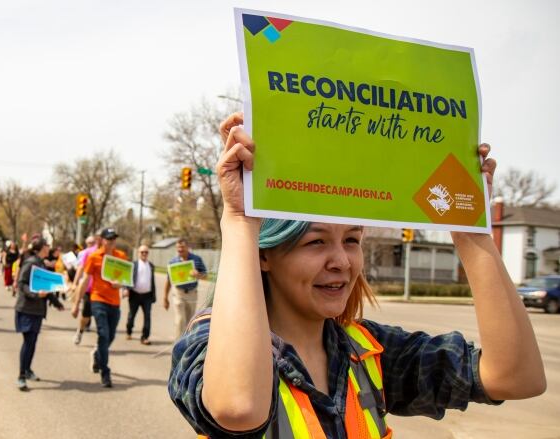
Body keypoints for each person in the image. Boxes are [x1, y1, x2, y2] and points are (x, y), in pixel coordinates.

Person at [168, 112, 546, 437]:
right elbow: (238, 408)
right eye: (315, 243)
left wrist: (471, 234)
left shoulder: (368, 351)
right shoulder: (209, 343)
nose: (342, 261)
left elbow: (516, 377)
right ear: (264, 255)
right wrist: (238, 222)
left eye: (351, 240)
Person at [73, 228, 128, 388]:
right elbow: (85, 280)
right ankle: (105, 372)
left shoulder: (121, 256)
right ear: (102, 240)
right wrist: (76, 303)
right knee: (103, 335)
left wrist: (122, 285)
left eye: (114, 238)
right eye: (109, 238)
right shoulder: (94, 257)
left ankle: (97, 355)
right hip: (98, 299)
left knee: (110, 337)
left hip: (115, 302)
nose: (112, 241)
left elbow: (126, 278)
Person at [15, 237, 65, 391]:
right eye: (46, 246)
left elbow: (46, 286)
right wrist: (36, 295)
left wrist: (57, 303)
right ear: (41, 248)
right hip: (26, 309)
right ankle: (21, 376)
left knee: (32, 342)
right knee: (28, 341)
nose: (48, 248)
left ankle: (28, 370)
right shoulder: (31, 262)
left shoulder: (41, 263)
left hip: (37, 310)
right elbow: (21, 284)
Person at [163, 238, 208, 339]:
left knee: (189, 321)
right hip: (178, 294)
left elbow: (205, 276)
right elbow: (168, 281)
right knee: (180, 320)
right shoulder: (172, 262)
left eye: (182, 247)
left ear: (188, 247)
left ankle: (187, 343)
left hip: (192, 294)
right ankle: (179, 345)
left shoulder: (197, 259)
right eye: (178, 247)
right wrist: (165, 298)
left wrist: (198, 275)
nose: (180, 249)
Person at [70, 235, 100, 345]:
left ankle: (101, 342)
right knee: (86, 315)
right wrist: (75, 283)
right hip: (88, 287)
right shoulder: (87, 253)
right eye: (90, 242)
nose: (92, 244)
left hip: (102, 291)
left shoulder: (111, 252)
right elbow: (80, 268)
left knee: (101, 315)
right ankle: (80, 331)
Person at [126, 245, 155, 345]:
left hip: (147, 296)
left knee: (147, 316)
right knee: (131, 316)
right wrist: (126, 289)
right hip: (134, 294)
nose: (144, 254)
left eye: (146, 252)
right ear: (138, 253)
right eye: (142, 252)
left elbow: (152, 281)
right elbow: (128, 278)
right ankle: (129, 330)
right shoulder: (133, 264)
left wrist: (153, 295)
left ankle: (145, 337)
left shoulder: (151, 265)